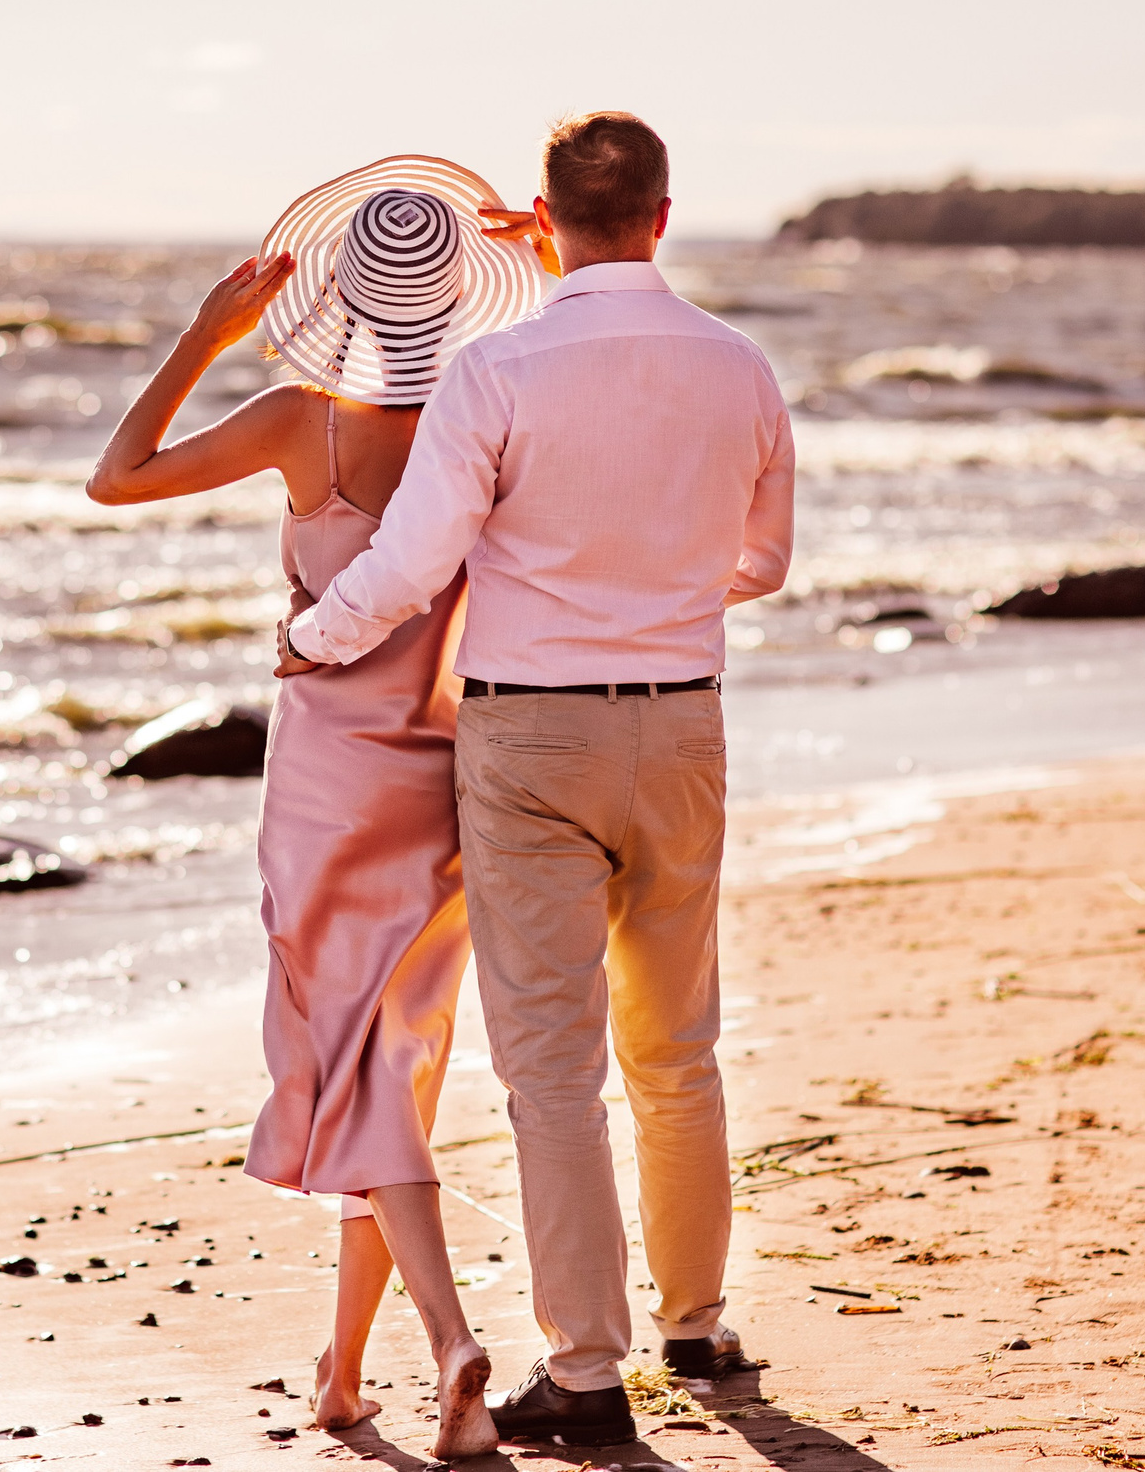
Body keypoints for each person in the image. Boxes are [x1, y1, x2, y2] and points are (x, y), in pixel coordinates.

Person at [276, 112, 797, 1448]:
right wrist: (656, 584)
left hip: (530, 741)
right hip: (681, 726)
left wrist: (312, 636)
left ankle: (585, 1373)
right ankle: (695, 1323)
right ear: (666, 215)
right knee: (678, 1042)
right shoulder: (740, 369)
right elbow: (764, 562)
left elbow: (409, 560)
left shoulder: (498, 369)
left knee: (552, 1070)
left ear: (545, 218)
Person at [87, 156, 542, 1461]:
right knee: (387, 1069)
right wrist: (564, 269)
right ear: (460, 302)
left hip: (329, 791)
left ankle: (452, 1344)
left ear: (337, 296)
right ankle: (344, 1378)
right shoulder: (488, 415)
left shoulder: (302, 421)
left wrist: (201, 335)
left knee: (362, 1073)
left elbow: (116, 480)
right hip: (450, 779)